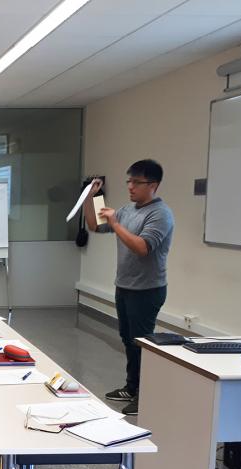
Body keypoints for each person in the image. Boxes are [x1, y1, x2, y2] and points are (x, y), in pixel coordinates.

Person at [83, 159, 174, 416]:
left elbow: (142, 247)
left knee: (141, 343)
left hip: (147, 290)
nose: (131, 187)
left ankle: (146, 394)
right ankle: (131, 387)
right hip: (124, 286)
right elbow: (94, 224)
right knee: (127, 339)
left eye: (137, 182)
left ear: (153, 185)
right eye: (129, 181)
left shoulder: (160, 214)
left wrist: (115, 223)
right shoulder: (127, 210)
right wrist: (91, 197)